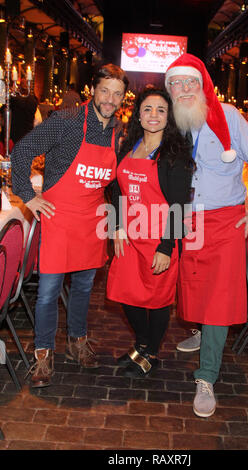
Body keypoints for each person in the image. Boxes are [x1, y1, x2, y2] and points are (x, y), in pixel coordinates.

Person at [164, 53, 248, 417]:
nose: (182, 90)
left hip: (226, 221)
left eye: (189, 82)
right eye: (175, 84)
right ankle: (202, 332)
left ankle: (206, 375)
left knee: (218, 299)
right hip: (188, 219)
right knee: (193, 284)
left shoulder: (228, 116)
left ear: (202, 85)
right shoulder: (173, 123)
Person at [11, 63, 129, 388]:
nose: (110, 99)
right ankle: (43, 355)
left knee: (84, 287)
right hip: (58, 218)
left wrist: (117, 222)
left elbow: (116, 184)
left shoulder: (119, 132)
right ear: (94, 88)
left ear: (123, 98)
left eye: (117, 94)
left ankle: (77, 341)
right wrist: (26, 195)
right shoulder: (66, 121)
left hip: (92, 220)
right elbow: (22, 151)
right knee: (48, 292)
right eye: (105, 90)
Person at [106, 86, 193, 377]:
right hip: (129, 237)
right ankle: (142, 342)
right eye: (147, 109)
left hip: (159, 238)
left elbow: (179, 204)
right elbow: (115, 187)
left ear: (169, 117)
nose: (153, 115)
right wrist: (116, 224)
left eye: (160, 110)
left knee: (157, 301)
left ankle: (151, 352)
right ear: (138, 116)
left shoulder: (174, 154)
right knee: (124, 293)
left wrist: (167, 247)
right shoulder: (128, 147)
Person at [10, 79, 42, 144]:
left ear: (20, 87)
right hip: (28, 132)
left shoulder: (14, 99)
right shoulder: (33, 100)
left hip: (16, 132)